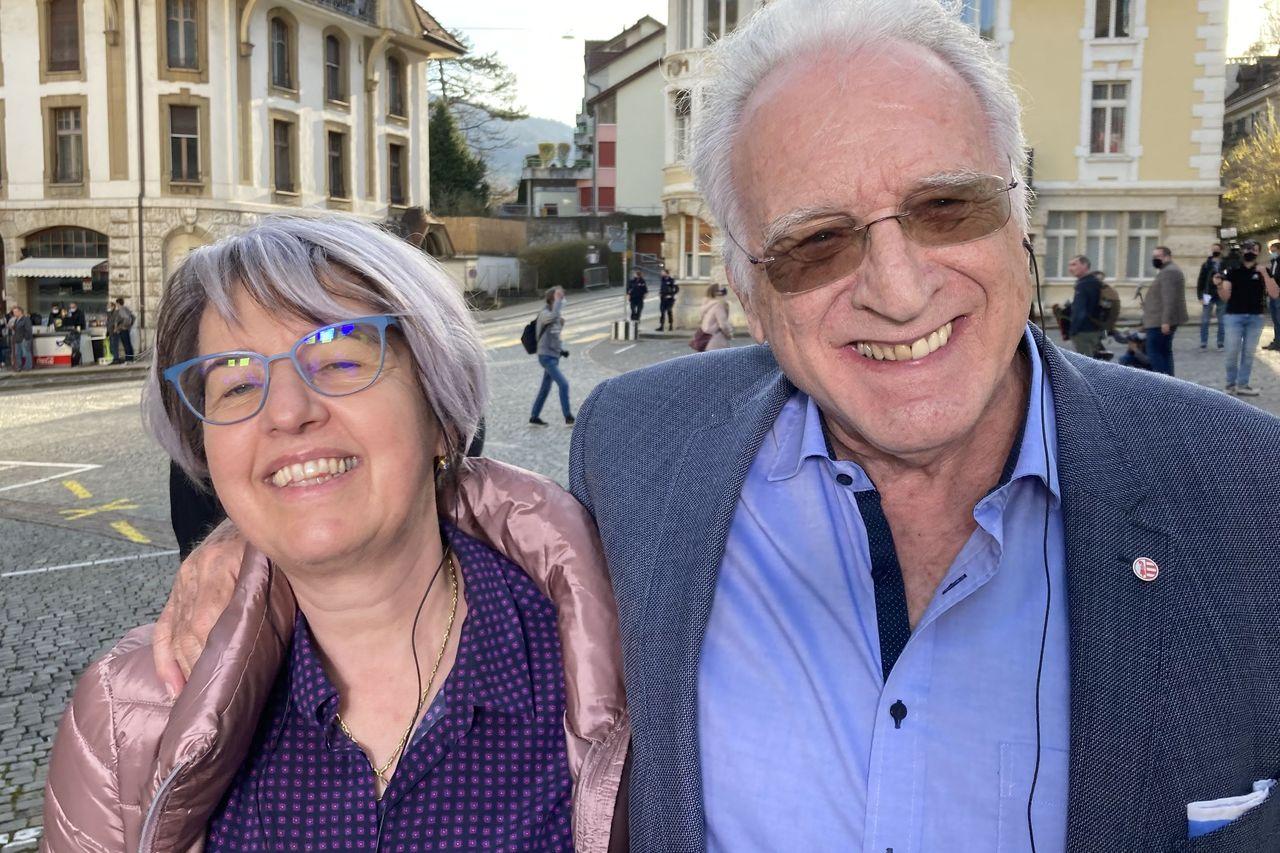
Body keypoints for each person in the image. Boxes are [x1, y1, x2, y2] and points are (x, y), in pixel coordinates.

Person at [153, 2, 1280, 850]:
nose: (895, 286)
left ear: (1018, 211)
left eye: (945, 208)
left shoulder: (1244, 486)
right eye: (815, 243)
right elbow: (460, 512)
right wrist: (257, 553)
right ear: (743, 285)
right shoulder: (641, 441)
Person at [41, 217, 629, 852]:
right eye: (237, 381)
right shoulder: (125, 713)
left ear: (442, 417)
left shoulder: (622, 661)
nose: (288, 412)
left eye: (342, 357)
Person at [1218, 239, 1280, 396]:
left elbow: (1275, 293)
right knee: (1232, 351)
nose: (1249, 251)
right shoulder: (1233, 270)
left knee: (1248, 353)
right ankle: (1230, 384)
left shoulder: (1263, 270)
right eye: (1246, 248)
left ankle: (1243, 384)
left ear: (1258, 252)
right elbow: (1225, 296)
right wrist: (1219, 285)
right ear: (1242, 251)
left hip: (1255, 317)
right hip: (1234, 316)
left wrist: (1265, 274)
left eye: (1253, 249)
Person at [529, 286, 575, 426]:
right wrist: (557, 302)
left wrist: (561, 350)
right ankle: (568, 417)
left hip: (553, 356)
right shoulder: (545, 314)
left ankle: (534, 417)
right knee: (564, 384)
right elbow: (553, 317)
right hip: (546, 357)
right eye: (559, 297)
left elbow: (554, 337)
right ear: (552, 299)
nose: (562, 300)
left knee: (545, 388)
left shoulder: (555, 317)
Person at [1141, 246, 1187, 376]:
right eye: (1153, 257)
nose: (1155, 259)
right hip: (1158, 319)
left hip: (1159, 322)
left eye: (1158, 257)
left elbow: (1169, 298)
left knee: (1156, 353)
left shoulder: (1169, 272)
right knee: (1164, 352)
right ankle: (1168, 382)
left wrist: (1165, 321)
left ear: (1167, 256)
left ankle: (1162, 383)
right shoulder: (1167, 270)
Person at [1066, 254, 1104, 358]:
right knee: (1094, 361)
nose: (1070, 268)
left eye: (1074, 265)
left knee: (1086, 364)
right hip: (1095, 329)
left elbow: (1080, 311)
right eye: (1070, 265)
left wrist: (1073, 331)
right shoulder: (1095, 281)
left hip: (1084, 331)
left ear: (1085, 265)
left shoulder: (1083, 285)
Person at [1197, 242, 1226, 350]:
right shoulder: (1206, 264)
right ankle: (1203, 342)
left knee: (1222, 321)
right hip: (1207, 294)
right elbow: (1200, 281)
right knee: (1205, 320)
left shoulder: (1225, 264)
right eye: (1213, 249)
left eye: (1217, 249)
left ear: (1221, 251)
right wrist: (1199, 296)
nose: (1215, 251)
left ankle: (1220, 342)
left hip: (1221, 294)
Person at [699, 284, 733, 350]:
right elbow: (723, 324)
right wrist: (729, 334)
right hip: (717, 339)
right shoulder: (718, 306)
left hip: (706, 338)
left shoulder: (706, 304)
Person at [108, 296, 135, 363]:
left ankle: (129, 359)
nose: (116, 305)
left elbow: (127, 319)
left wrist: (122, 326)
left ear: (118, 303)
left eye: (116, 303)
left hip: (123, 330)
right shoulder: (125, 309)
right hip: (124, 329)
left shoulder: (122, 309)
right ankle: (130, 358)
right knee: (127, 344)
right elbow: (133, 317)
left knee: (126, 344)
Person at [64, 301, 85, 366]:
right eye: (71, 307)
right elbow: (66, 321)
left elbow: (81, 323)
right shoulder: (69, 313)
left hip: (77, 331)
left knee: (76, 347)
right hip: (71, 331)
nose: (71, 308)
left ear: (76, 306)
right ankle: (75, 360)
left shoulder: (80, 313)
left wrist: (77, 327)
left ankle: (76, 362)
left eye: (73, 307)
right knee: (69, 343)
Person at [12, 306, 33, 372]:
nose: (14, 313)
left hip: (24, 339)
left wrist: (25, 338)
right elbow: (16, 329)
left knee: (26, 353)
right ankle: (19, 367)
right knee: (17, 354)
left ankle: (28, 367)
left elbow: (29, 330)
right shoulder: (16, 320)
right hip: (17, 339)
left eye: (15, 312)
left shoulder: (26, 319)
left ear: (20, 312)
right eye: (13, 312)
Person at [1268, 240, 1280, 350]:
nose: (1272, 252)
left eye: (1274, 250)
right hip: (1272, 293)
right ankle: (1277, 341)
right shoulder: (1273, 262)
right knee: (1275, 319)